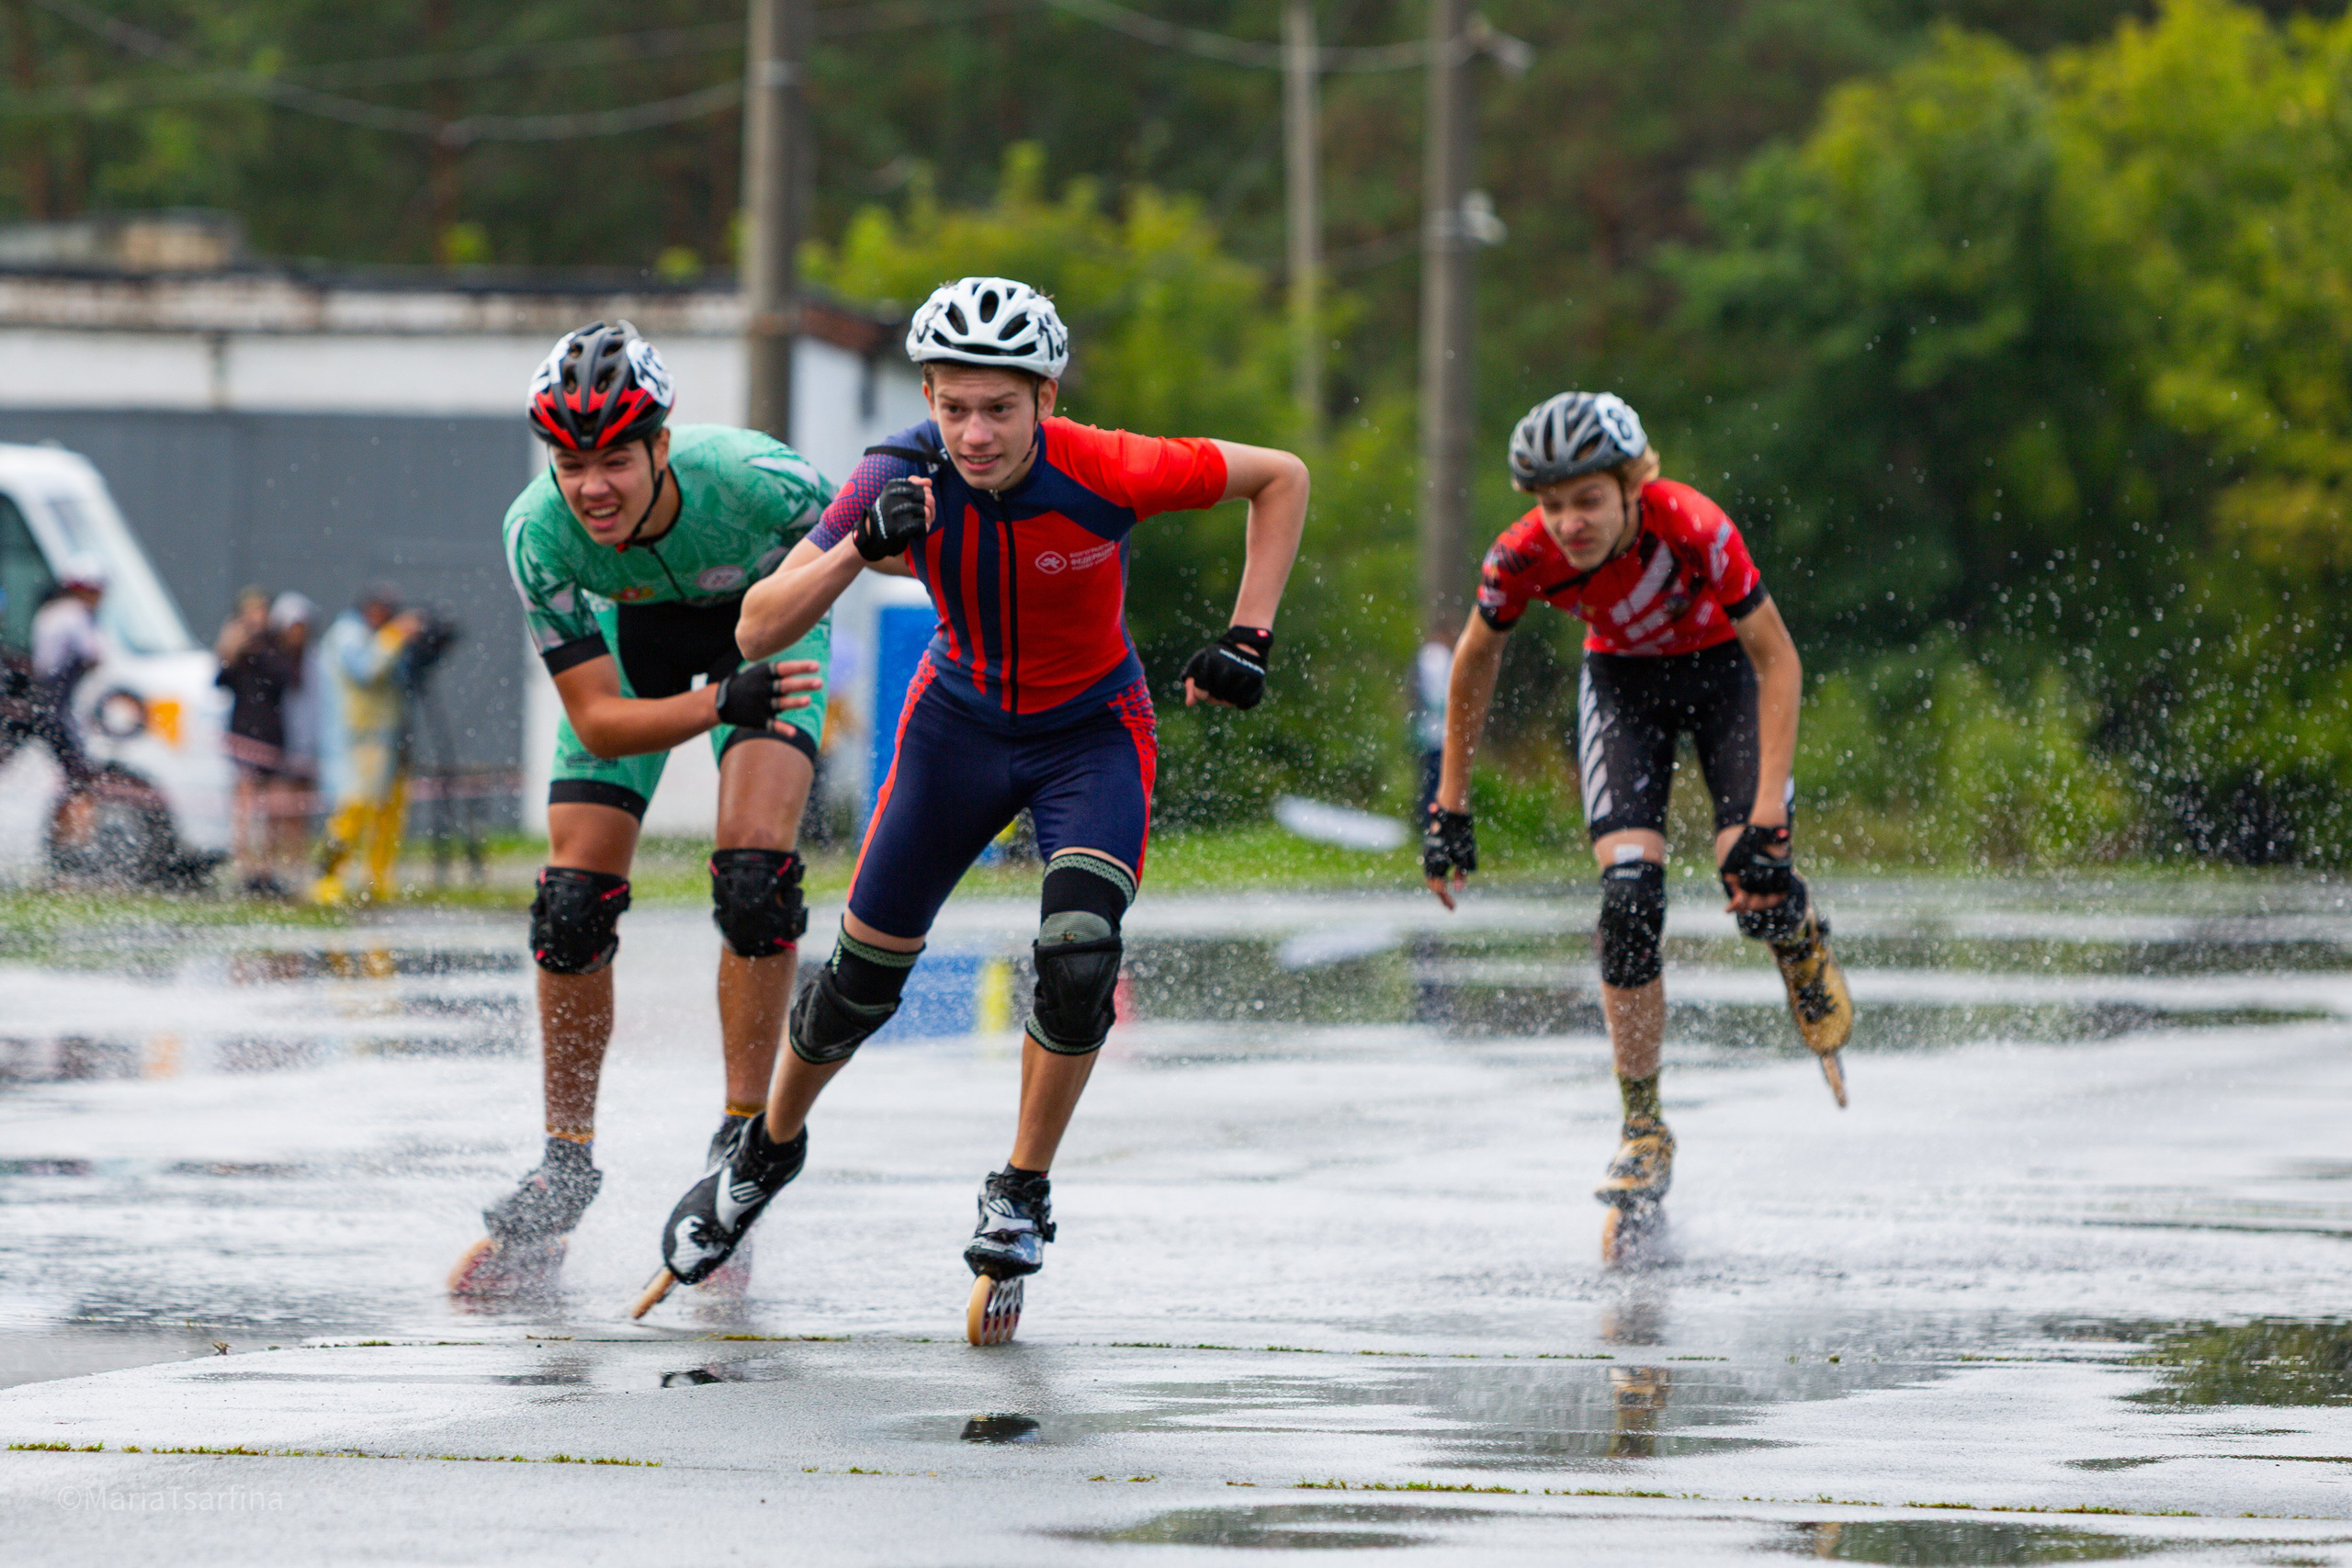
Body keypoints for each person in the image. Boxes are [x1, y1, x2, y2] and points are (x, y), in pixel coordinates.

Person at [647, 276, 1309, 1332]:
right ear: (926, 395)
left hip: (1089, 732)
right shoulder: (894, 474)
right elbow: (756, 629)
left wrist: (1248, 632)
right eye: (953, 407)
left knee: (1081, 950)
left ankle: (1021, 1191)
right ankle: (764, 1151)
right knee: (857, 986)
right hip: (955, 730)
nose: (974, 433)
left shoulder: (1106, 464)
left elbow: (1280, 478)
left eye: (999, 408)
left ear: (1045, 398)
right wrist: (862, 545)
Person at [1418, 391, 1852, 1260]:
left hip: (1727, 678)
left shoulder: (1692, 526)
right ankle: (1644, 1127)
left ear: (1630, 485)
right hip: (1625, 688)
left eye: (1588, 500)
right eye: (1551, 503)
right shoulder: (1521, 555)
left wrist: (1768, 821)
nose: (1568, 522)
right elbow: (1474, 661)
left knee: (1754, 880)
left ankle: (1796, 934)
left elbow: (1779, 660)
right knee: (1626, 902)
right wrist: (1450, 807)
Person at [447, 319, 833, 1294]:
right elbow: (599, 720)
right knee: (570, 907)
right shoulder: (536, 533)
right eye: (571, 463)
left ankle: (742, 1142)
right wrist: (715, 701)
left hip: (766, 632)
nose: (593, 488)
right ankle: (564, 1164)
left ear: (662, 444)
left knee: (755, 884)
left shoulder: (756, 480)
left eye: (616, 457)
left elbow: (880, 546)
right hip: (640, 663)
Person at [310, 581, 419, 906]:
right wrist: (396, 636)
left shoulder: (376, 635)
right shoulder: (348, 634)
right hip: (358, 739)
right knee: (353, 809)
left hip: (386, 736)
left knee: (388, 814)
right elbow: (367, 670)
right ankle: (327, 877)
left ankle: (376, 882)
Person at [215, 585, 300, 896]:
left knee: (274, 806)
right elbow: (220, 681)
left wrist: (260, 648)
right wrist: (230, 649)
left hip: (271, 733)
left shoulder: (274, 647)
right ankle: (245, 869)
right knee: (245, 804)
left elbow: (283, 679)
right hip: (243, 732)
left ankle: (268, 868)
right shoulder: (239, 650)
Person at [28, 555, 107, 792]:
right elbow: (94, 655)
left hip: (41, 696)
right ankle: (71, 823)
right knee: (77, 773)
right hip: (59, 701)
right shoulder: (76, 615)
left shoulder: (49, 612)